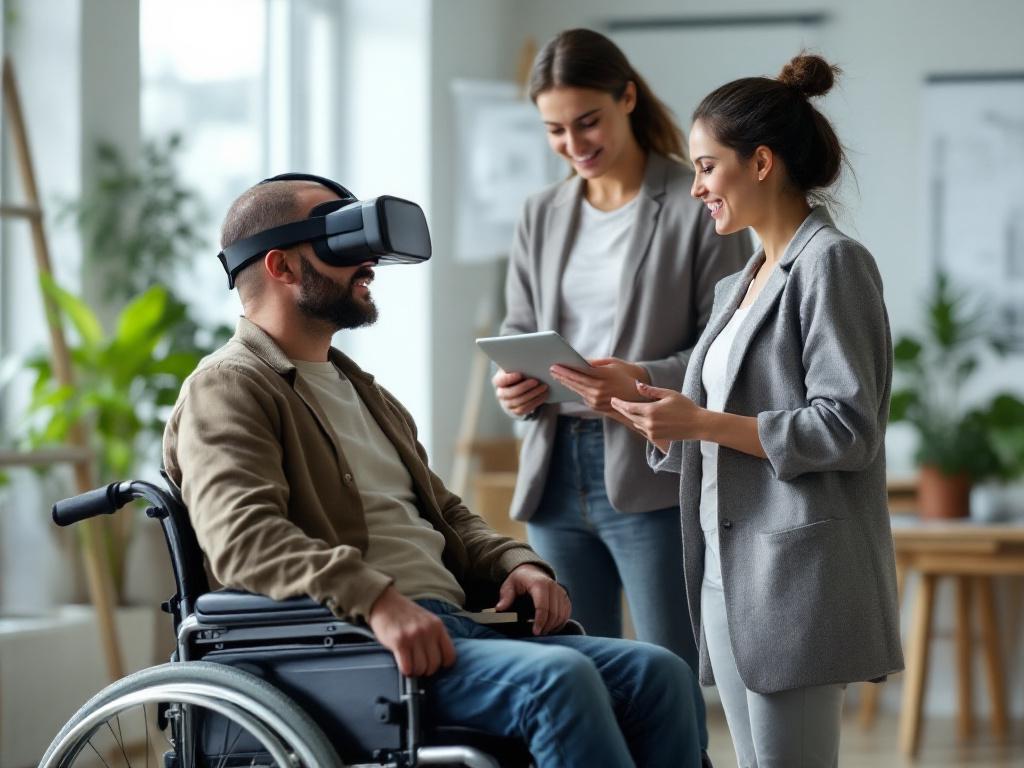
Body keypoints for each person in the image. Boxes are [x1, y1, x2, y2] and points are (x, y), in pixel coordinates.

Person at [162, 174, 704, 768]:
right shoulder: (228, 387)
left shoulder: (366, 393)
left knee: (659, 672)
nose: (367, 261)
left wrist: (513, 562)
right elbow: (243, 541)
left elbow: (445, 514)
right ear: (282, 268)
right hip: (358, 648)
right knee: (559, 681)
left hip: (451, 627)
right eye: (341, 242)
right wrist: (376, 600)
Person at [609, 55, 905, 767]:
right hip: (726, 565)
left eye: (708, 168)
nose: (697, 189)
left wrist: (700, 423)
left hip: (793, 574)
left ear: (762, 162)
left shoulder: (833, 263)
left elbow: (848, 427)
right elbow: (725, 395)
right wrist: (644, 391)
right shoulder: (741, 280)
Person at [493, 27, 750, 688]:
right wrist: (513, 382)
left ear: (627, 97)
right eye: (555, 131)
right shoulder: (540, 213)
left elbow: (725, 347)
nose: (574, 146)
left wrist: (637, 378)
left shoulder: (697, 203)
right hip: (554, 473)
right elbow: (521, 323)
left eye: (588, 123)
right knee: (577, 680)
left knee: (666, 675)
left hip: (650, 469)